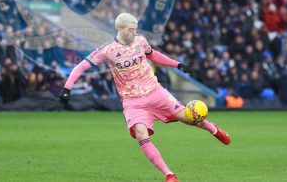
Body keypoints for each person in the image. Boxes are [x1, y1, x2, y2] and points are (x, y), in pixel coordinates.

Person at [60, 13, 230, 182]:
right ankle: (169, 175)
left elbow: (153, 55)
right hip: (132, 101)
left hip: (155, 92)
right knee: (141, 134)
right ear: (120, 28)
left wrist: (176, 64)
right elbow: (80, 67)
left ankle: (213, 129)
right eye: (131, 29)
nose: (135, 32)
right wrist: (67, 88)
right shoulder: (107, 50)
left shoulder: (140, 41)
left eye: (136, 29)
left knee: (186, 117)